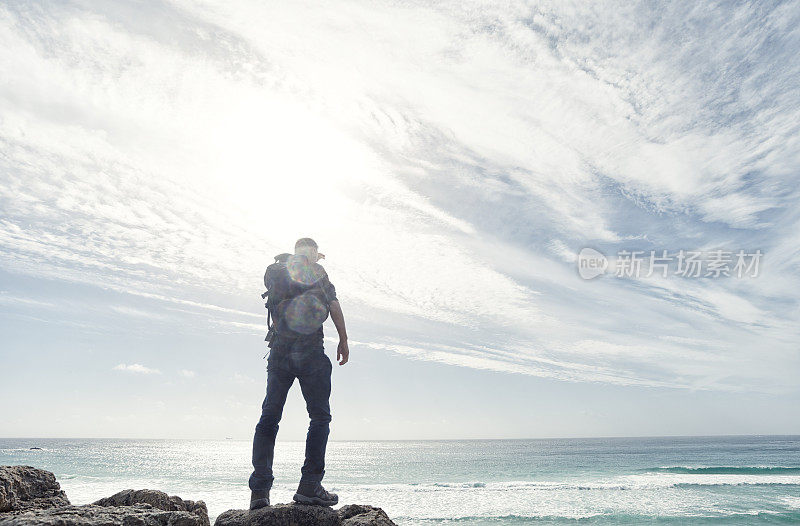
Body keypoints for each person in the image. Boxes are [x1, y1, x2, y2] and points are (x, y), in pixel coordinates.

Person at [249, 238, 349, 509]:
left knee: (269, 418)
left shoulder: (276, 270)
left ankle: (259, 492)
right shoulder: (317, 272)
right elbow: (334, 305)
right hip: (310, 353)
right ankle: (310, 487)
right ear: (314, 253)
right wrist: (343, 339)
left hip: (279, 352)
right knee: (319, 417)